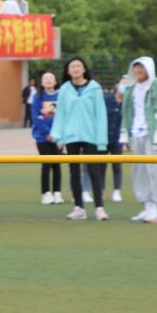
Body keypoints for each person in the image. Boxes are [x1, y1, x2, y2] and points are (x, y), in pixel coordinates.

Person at [49, 56, 109, 221]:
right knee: (74, 173)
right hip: (71, 136)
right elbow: (61, 114)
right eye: (72, 66)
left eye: (78, 66)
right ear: (68, 71)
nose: (75, 69)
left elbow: (101, 114)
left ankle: (99, 208)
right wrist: (59, 137)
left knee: (94, 171)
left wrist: (101, 141)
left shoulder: (95, 88)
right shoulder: (65, 89)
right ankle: (78, 208)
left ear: (84, 69)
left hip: (91, 136)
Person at [119, 57, 157, 224]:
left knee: (154, 171)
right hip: (137, 134)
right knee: (140, 172)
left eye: (142, 68)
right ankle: (146, 207)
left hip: (153, 135)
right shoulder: (131, 88)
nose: (138, 71)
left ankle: (156, 209)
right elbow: (126, 112)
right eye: (136, 67)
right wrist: (125, 135)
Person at [31, 71, 62, 205]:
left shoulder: (61, 96)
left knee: (57, 164)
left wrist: (57, 134)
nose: (48, 80)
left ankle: (57, 193)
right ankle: (46, 193)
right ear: (42, 83)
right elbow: (35, 117)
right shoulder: (37, 97)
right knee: (46, 163)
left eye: (51, 78)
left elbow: (63, 116)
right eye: (45, 78)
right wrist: (47, 133)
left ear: (55, 81)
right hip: (42, 138)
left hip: (57, 137)